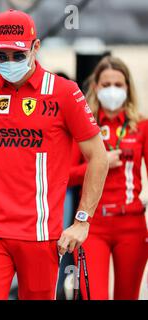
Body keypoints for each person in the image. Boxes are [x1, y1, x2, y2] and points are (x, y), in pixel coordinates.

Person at [0, 9, 109, 300]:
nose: (9, 62)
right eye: (1, 56)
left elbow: (99, 157)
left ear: (36, 48)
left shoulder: (64, 92)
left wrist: (82, 220)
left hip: (41, 234)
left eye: (18, 55)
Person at [69, 56, 148, 300]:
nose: (112, 90)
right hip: (92, 225)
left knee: (128, 296)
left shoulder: (141, 126)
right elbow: (66, 176)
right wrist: (98, 164)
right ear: (95, 87)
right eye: (106, 85)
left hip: (131, 224)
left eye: (118, 84)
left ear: (127, 88)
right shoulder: (83, 124)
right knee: (94, 295)